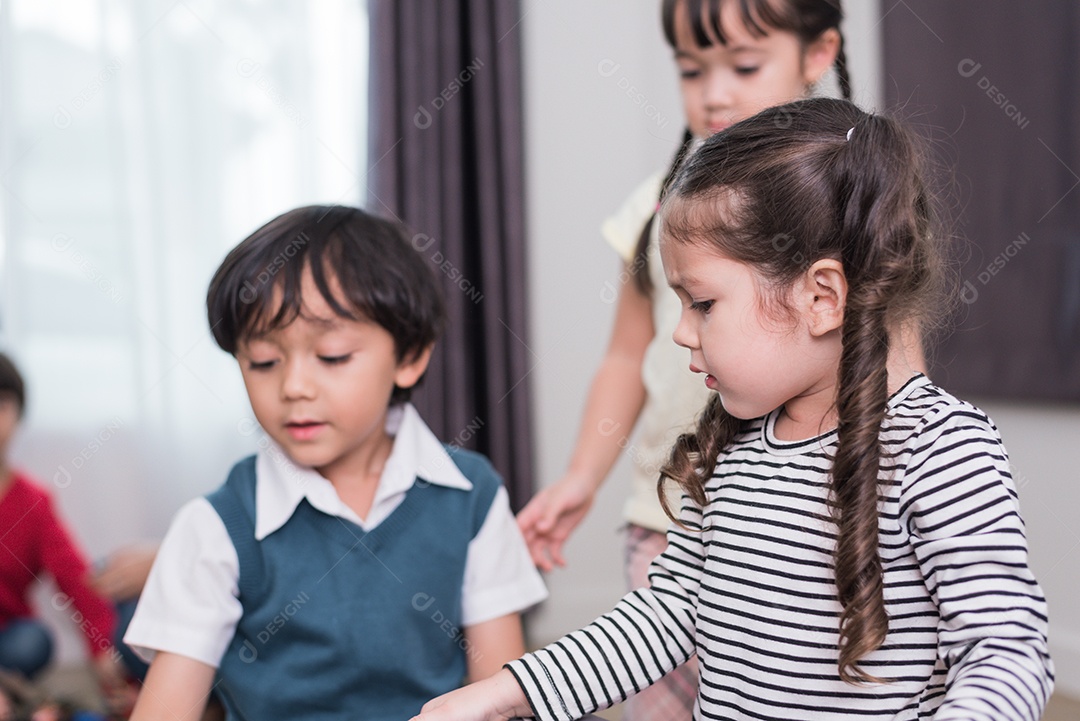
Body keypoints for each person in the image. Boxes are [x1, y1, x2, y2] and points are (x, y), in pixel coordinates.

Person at [413, 97, 1054, 720]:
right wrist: (502, 692)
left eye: (703, 303)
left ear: (822, 297)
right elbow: (663, 617)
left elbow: (1008, 656)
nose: (681, 332)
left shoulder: (942, 448)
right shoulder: (730, 449)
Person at [517, 2, 864, 717]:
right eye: (689, 69)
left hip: (811, 515)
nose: (714, 92)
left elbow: (895, 363)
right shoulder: (657, 207)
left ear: (818, 52)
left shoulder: (853, 207)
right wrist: (582, 476)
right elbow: (625, 358)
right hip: (670, 511)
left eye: (743, 65)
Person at [124, 206, 547, 721]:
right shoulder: (216, 526)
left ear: (410, 357)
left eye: (332, 356)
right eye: (262, 362)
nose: (294, 387)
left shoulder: (470, 497)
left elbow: (500, 692)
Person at [0, 353, 127, 710]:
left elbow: (75, 578)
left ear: (18, 413)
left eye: (1, 404)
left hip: (9, 640)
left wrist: (103, 648)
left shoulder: (33, 504)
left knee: (35, 641)